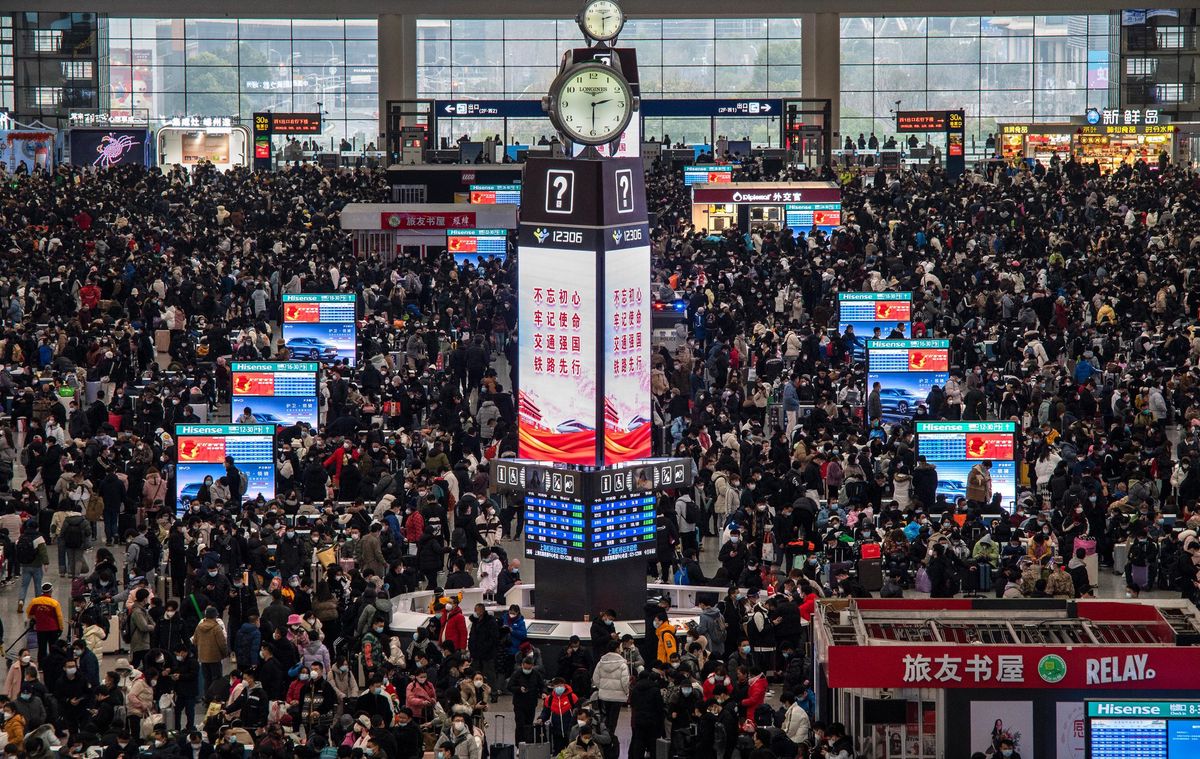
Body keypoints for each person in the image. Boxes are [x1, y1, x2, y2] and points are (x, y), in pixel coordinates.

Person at [25, 583, 63, 662]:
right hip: (53, 629)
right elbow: (59, 617)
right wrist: (61, 628)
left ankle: (41, 666)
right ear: (51, 591)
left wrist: (36, 618)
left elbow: (28, 613)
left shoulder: (34, 601)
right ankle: (53, 664)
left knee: (42, 648)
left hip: (41, 629)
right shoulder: (55, 603)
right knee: (53, 648)